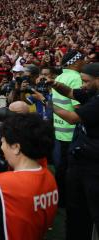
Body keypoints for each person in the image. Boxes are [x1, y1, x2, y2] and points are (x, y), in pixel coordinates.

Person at [47, 62, 99, 240]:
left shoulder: (97, 102)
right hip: (83, 157)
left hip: (93, 164)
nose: (83, 85)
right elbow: (70, 92)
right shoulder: (92, 94)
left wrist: (49, 105)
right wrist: (54, 84)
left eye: (86, 81)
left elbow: (72, 118)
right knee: (76, 208)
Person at [51, 50, 84, 208]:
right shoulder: (76, 78)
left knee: (60, 167)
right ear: (74, 61)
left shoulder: (59, 77)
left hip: (59, 128)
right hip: (72, 131)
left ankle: (60, 199)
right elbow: (79, 107)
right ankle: (67, 201)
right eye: (81, 59)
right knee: (71, 170)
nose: (84, 62)